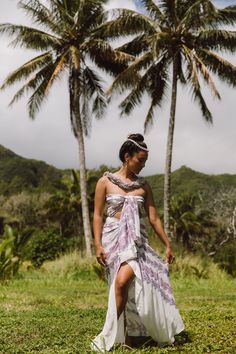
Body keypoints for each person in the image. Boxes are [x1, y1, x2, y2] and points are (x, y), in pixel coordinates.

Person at [91, 134, 185, 352]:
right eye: (140, 160)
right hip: (112, 238)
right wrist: (97, 244)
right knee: (120, 286)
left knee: (123, 282)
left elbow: (154, 218)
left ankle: (108, 334)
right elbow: (97, 215)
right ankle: (126, 336)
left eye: (144, 161)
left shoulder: (144, 186)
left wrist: (167, 244)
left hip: (136, 241)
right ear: (127, 156)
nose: (143, 165)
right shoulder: (105, 182)